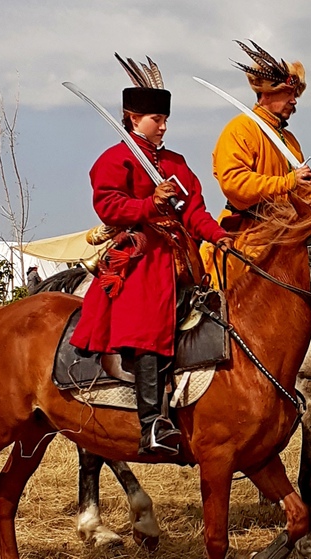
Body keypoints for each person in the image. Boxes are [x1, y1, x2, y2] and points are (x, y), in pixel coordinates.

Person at [71, 55, 233, 457]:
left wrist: (218, 236)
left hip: (181, 256)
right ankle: (150, 424)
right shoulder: (114, 159)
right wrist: (150, 204)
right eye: (155, 119)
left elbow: (195, 210)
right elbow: (109, 206)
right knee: (145, 325)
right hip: (140, 256)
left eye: (164, 119)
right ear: (132, 117)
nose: (162, 126)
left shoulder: (176, 163)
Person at [213, 40, 311, 225]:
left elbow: (302, 195)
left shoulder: (290, 140)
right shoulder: (241, 128)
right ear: (266, 93)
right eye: (288, 93)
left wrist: (307, 188)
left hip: (286, 233)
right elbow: (234, 183)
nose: (294, 101)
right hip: (246, 235)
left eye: (295, 94)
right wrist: (288, 182)